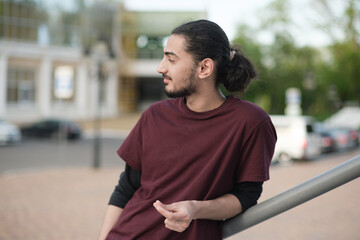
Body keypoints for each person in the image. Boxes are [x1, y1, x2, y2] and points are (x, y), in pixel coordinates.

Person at [98, 19, 277, 240]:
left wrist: (196, 208)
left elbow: (247, 196)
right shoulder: (154, 116)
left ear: (204, 68)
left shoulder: (251, 122)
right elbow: (127, 188)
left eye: (171, 59)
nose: (160, 67)